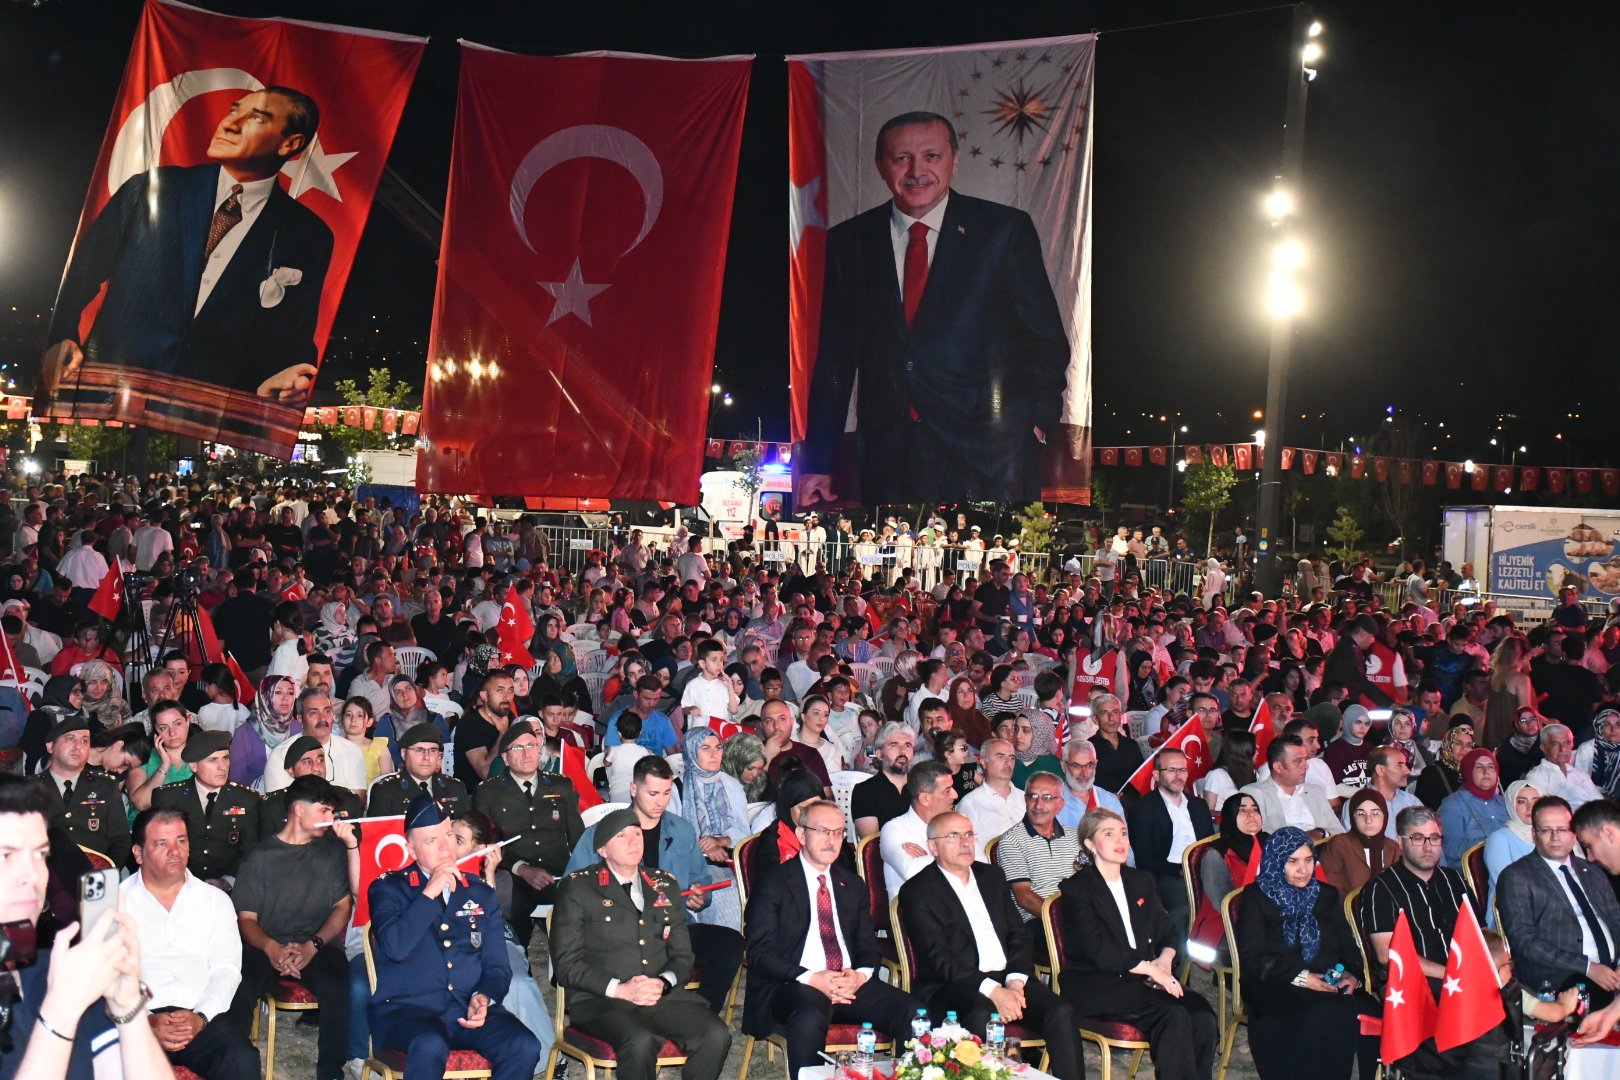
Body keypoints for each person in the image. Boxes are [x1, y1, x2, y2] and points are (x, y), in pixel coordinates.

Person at [797, 110, 1069, 506]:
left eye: (931, 156)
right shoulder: (849, 242)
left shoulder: (1004, 231)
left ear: (955, 160)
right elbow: (835, 361)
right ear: (880, 166)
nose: (916, 171)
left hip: (990, 453)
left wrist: (1037, 421)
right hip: (888, 456)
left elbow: (1044, 339)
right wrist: (818, 458)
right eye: (901, 158)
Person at [41, 88, 333, 418]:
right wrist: (60, 336)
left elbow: (294, 333)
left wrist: (291, 375)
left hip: (206, 413)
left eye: (254, 117)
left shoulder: (308, 234)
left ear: (290, 143)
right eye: (233, 110)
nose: (229, 124)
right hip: (108, 397)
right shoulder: (152, 189)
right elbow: (79, 275)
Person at [0, 774, 176, 1078]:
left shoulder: (54, 971)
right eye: (7, 855)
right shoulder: (64, 990)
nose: (32, 874)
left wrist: (127, 1007)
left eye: (40, 854)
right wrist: (61, 1012)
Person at [365, 794, 542, 1080]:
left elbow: (497, 966)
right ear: (411, 849)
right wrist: (428, 893)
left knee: (523, 1045)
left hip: (465, 1009)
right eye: (432, 840)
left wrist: (484, 996)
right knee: (430, 1044)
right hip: (408, 1013)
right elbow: (395, 947)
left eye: (448, 834)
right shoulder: (389, 889)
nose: (445, 845)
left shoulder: (479, 892)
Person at [899, 810, 1087, 1080]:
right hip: (955, 986)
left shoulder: (991, 877)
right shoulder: (918, 891)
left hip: (1009, 978)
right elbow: (939, 959)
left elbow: (1019, 934)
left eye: (968, 834)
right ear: (933, 847)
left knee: (1061, 1011)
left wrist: (1015, 982)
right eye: (954, 836)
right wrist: (994, 992)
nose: (965, 842)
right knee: (982, 1014)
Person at [741, 800, 921, 1076]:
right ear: (802, 835)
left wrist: (859, 976)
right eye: (823, 831)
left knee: (912, 1011)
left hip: (848, 982)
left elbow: (867, 946)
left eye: (839, 832)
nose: (832, 840)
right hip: (794, 982)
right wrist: (812, 977)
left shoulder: (851, 884)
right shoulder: (774, 883)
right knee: (809, 1016)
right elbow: (759, 952)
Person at [551, 807, 733, 1080]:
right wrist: (619, 989)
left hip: (659, 995)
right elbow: (566, 964)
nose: (633, 841)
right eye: (621, 836)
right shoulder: (578, 888)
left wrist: (664, 982)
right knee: (640, 1041)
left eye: (637, 834)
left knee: (716, 1034)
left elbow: (683, 954)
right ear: (602, 850)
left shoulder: (663, 885)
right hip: (603, 1000)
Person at [563, 757, 745, 1013]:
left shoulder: (680, 830)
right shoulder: (603, 833)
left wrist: (700, 897)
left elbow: (700, 880)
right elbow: (571, 887)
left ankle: (702, 1014)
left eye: (667, 793)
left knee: (729, 943)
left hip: (672, 929)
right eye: (653, 793)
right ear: (634, 790)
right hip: (619, 933)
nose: (661, 802)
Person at [1058, 808, 1218, 1080]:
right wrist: (1150, 969)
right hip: (1096, 982)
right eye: (1108, 834)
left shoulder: (1140, 880)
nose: (1120, 841)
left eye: (1123, 833)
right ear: (1089, 844)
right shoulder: (1078, 889)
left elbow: (1167, 930)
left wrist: (1165, 959)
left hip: (1139, 980)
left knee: (1202, 1013)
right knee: (1173, 1014)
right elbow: (1097, 950)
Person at [226, 774, 351, 1080]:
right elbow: (246, 920)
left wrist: (313, 946)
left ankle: (331, 1072)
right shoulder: (260, 858)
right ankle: (235, 1065)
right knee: (236, 984)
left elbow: (342, 907)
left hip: (317, 945)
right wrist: (272, 948)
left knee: (338, 983)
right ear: (299, 810)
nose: (330, 819)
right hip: (266, 945)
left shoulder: (333, 851)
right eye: (324, 810)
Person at [121, 806, 261, 1077]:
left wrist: (201, 1017)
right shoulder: (115, 902)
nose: (175, 851)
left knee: (241, 1059)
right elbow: (109, 977)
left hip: (201, 1016)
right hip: (139, 1017)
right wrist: (146, 1020)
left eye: (181, 841)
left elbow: (227, 970)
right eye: (162, 843)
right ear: (138, 853)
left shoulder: (215, 901)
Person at [1235, 827, 1376, 1080]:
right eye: (1293, 862)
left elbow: (1347, 947)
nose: (1303, 870)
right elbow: (1254, 958)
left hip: (1328, 977)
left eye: (1309, 860)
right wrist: (1302, 977)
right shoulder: (1257, 897)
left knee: (1371, 1011)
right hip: (1278, 982)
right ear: (1277, 862)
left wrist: (1349, 974)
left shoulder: (1326, 895)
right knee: (1318, 1015)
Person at [471, 719, 583, 956]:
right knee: (513, 904)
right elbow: (485, 845)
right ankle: (519, 966)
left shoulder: (560, 785)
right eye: (517, 748)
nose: (526, 754)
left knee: (580, 906)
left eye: (531, 746)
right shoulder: (488, 791)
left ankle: (567, 969)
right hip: (515, 873)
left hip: (559, 871)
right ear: (505, 758)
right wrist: (522, 869)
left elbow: (577, 836)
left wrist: (582, 871)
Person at [1497, 795, 1620, 1009]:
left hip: (1612, 972)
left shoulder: (1592, 869)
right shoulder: (1517, 876)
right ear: (1534, 834)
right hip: (1561, 977)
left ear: (1574, 835)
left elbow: (1616, 920)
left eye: (1562, 829)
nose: (1555, 837)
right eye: (1546, 830)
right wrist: (1588, 967)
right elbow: (1523, 940)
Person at [1362, 806, 1469, 994]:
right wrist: (1452, 975)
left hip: (1462, 972)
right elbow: (1387, 955)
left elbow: (1480, 932)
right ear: (1400, 843)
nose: (1428, 847)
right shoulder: (1380, 888)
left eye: (1434, 838)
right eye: (1417, 838)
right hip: (1413, 983)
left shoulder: (1453, 879)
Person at [149, 727, 262, 885]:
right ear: (194, 766)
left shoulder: (246, 799)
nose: (222, 766)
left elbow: (250, 851)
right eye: (213, 760)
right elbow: (160, 848)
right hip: (179, 884)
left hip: (229, 886)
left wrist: (227, 881)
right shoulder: (168, 798)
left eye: (226, 758)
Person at [1126, 747, 1215, 938]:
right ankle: (1180, 963)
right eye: (1171, 770)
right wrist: (1180, 870)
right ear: (1156, 775)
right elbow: (1143, 858)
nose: (1178, 776)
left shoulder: (1198, 806)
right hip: (1169, 875)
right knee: (1186, 907)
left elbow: (1210, 845)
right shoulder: (1143, 808)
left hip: (1204, 870)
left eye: (1182, 770)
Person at [33, 711, 131, 865]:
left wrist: (103, 873)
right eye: (70, 739)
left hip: (95, 877)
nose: (78, 746)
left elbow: (120, 841)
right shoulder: (29, 789)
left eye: (85, 741)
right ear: (50, 746)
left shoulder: (106, 786)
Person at [1189, 792, 1268, 959]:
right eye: (1242, 810)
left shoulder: (1268, 843)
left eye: (1255, 809)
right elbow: (1225, 906)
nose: (1251, 814)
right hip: (1225, 928)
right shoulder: (1216, 855)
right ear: (1230, 817)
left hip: (1264, 918)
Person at [879, 759, 958, 894]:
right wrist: (956, 855)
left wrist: (928, 857)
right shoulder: (894, 829)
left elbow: (981, 864)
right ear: (924, 799)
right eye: (947, 790)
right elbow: (912, 873)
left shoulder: (957, 823)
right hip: (917, 910)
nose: (955, 795)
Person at [1242, 735, 1342, 839]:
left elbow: (1337, 831)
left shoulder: (1315, 791)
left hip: (1324, 850)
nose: (1306, 765)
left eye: (1305, 759)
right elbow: (1261, 837)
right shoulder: (1253, 794)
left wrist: (1321, 833)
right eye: (1298, 761)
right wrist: (1304, 837)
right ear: (1278, 767)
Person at [367, 721, 469, 818]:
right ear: (403, 754)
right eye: (419, 750)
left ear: (439, 756)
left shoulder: (455, 788)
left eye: (433, 750)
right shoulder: (385, 790)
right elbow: (379, 834)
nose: (426, 757)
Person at [1317, 788, 1400, 897]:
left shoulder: (1392, 848)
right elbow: (1330, 894)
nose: (1368, 820)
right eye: (1361, 813)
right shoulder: (1340, 845)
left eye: (1375, 813)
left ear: (1385, 815)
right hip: (1347, 912)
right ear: (1352, 816)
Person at [1482, 780, 1540, 925]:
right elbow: (1509, 888)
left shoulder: (1546, 833)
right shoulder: (1499, 839)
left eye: (1535, 801)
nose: (1530, 807)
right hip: (1514, 914)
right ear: (1511, 805)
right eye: (1521, 802)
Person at [955, 736, 1022, 861]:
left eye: (1012, 758)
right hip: (993, 874)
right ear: (984, 762)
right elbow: (968, 850)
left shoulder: (1027, 799)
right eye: (1000, 756)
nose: (1008, 762)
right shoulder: (970, 803)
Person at [1437, 747, 1506, 868]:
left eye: (1491, 766)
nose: (1486, 772)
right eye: (1479, 767)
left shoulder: (1503, 803)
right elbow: (1451, 847)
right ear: (1468, 771)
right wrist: (1491, 844)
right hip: (1472, 874)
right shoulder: (1453, 804)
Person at [1340, 745, 1421, 839]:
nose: (1407, 771)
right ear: (1380, 770)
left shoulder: (1412, 802)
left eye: (1405, 765)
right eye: (1399, 765)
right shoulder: (1355, 805)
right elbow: (1349, 847)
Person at [1525, 722, 1605, 809]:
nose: (1563, 749)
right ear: (1543, 748)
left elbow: (1601, 803)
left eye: (1567, 743)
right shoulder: (1536, 777)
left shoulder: (1580, 774)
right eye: (1555, 744)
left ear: (1572, 744)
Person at [1056, 738, 1125, 827]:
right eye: (1076, 766)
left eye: (1089, 765)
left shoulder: (1110, 802)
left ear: (1095, 764)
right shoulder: (1052, 803)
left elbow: (1121, 839)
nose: (1084, 773)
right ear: (1063, 766)